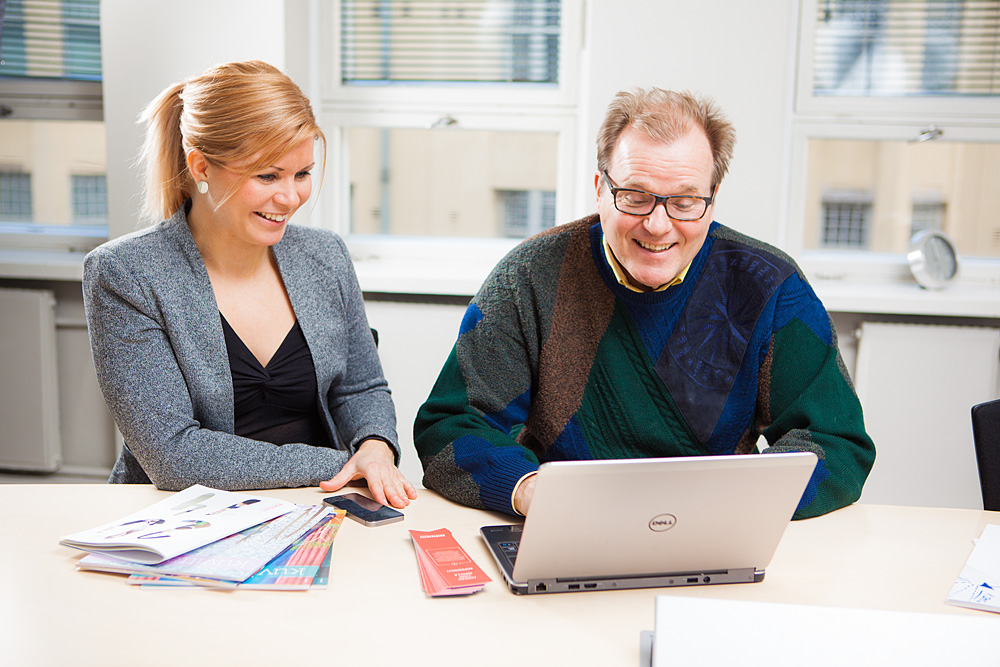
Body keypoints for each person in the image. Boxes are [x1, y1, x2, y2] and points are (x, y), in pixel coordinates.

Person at [414, 87, 875, 519]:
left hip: (714, 529)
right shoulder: (529, 278)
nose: (657, 225)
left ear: (712, 201)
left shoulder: (770, 286)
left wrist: (726, 505)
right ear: (600, 188)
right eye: (635, 196)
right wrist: (533, 490)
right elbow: (452, 423)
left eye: (684, 201)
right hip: (568, 524)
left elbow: (836, 442)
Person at [83, 60, 416, 508]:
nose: (291, 197)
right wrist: (341, 464)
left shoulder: (325, 256)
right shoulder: (126, 273)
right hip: (183, 516)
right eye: (267, 176)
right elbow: (174, 454)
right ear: (201, 167)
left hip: (319, 507)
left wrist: (375, 447)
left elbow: (361, 388)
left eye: (302, 174)